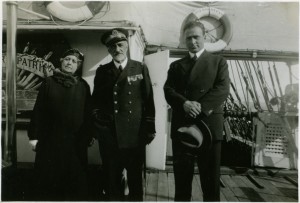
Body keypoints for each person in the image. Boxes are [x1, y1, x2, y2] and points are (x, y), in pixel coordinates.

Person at [164, 21, 230, 201]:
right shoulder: (176, 66)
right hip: (183, 128)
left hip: (209, 127)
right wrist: (184, 103)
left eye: (196, 37)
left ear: (205, 37)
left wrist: (200, 108)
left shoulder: (218, 62)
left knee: (210, 181)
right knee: (182, 181)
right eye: (189, 38)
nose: (193, 41)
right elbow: (168, 90)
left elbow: (222, 89)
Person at [91, 28, 156, 201]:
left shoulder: (139, 68)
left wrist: (150, 127)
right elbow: (95, 102)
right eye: (112, 47)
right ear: (108, 50)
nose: (117, 49)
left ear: (126, 46)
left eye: (120, 45)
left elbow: (148, 100)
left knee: (135, 178)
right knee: (112, 178)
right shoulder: (102, 71)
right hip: (110, 135)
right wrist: (99, 126)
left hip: (134, 134)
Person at [28, 48, 92, 201]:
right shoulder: (48, 83)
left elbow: (88, 113)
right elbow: (39, 110)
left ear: (78, 65)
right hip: (50, 141)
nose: (70, 63)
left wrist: (89, 135)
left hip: (75, 143)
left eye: (74, 61)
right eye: (67, 59)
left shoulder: (83, 86)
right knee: (49, 180)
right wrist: (34, 136)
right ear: (61, 61)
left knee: (74, 180)